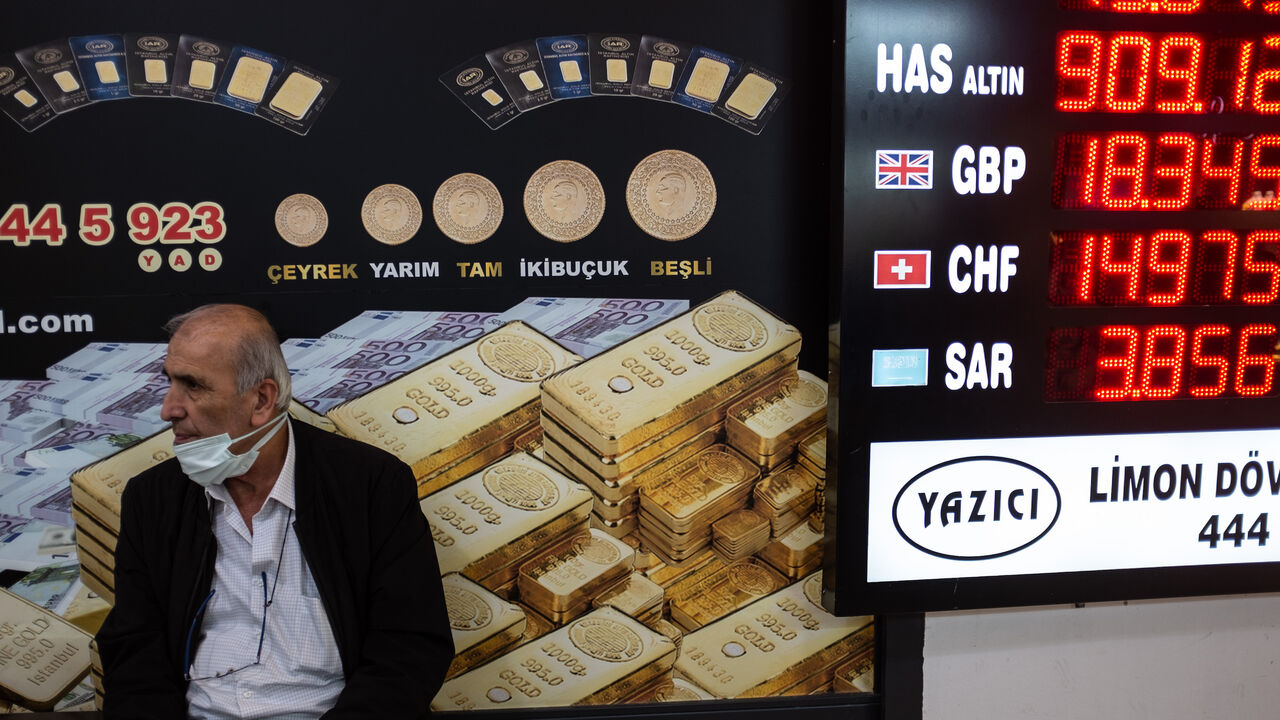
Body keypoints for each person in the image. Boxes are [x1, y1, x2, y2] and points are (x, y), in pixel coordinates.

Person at [96, 304, 452, 719]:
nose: (169, 408)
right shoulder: (153, 499)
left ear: (261, 399)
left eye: (192, 386)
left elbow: (408, 649)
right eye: (170, 382)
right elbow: (135, 653)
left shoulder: (370, 485)